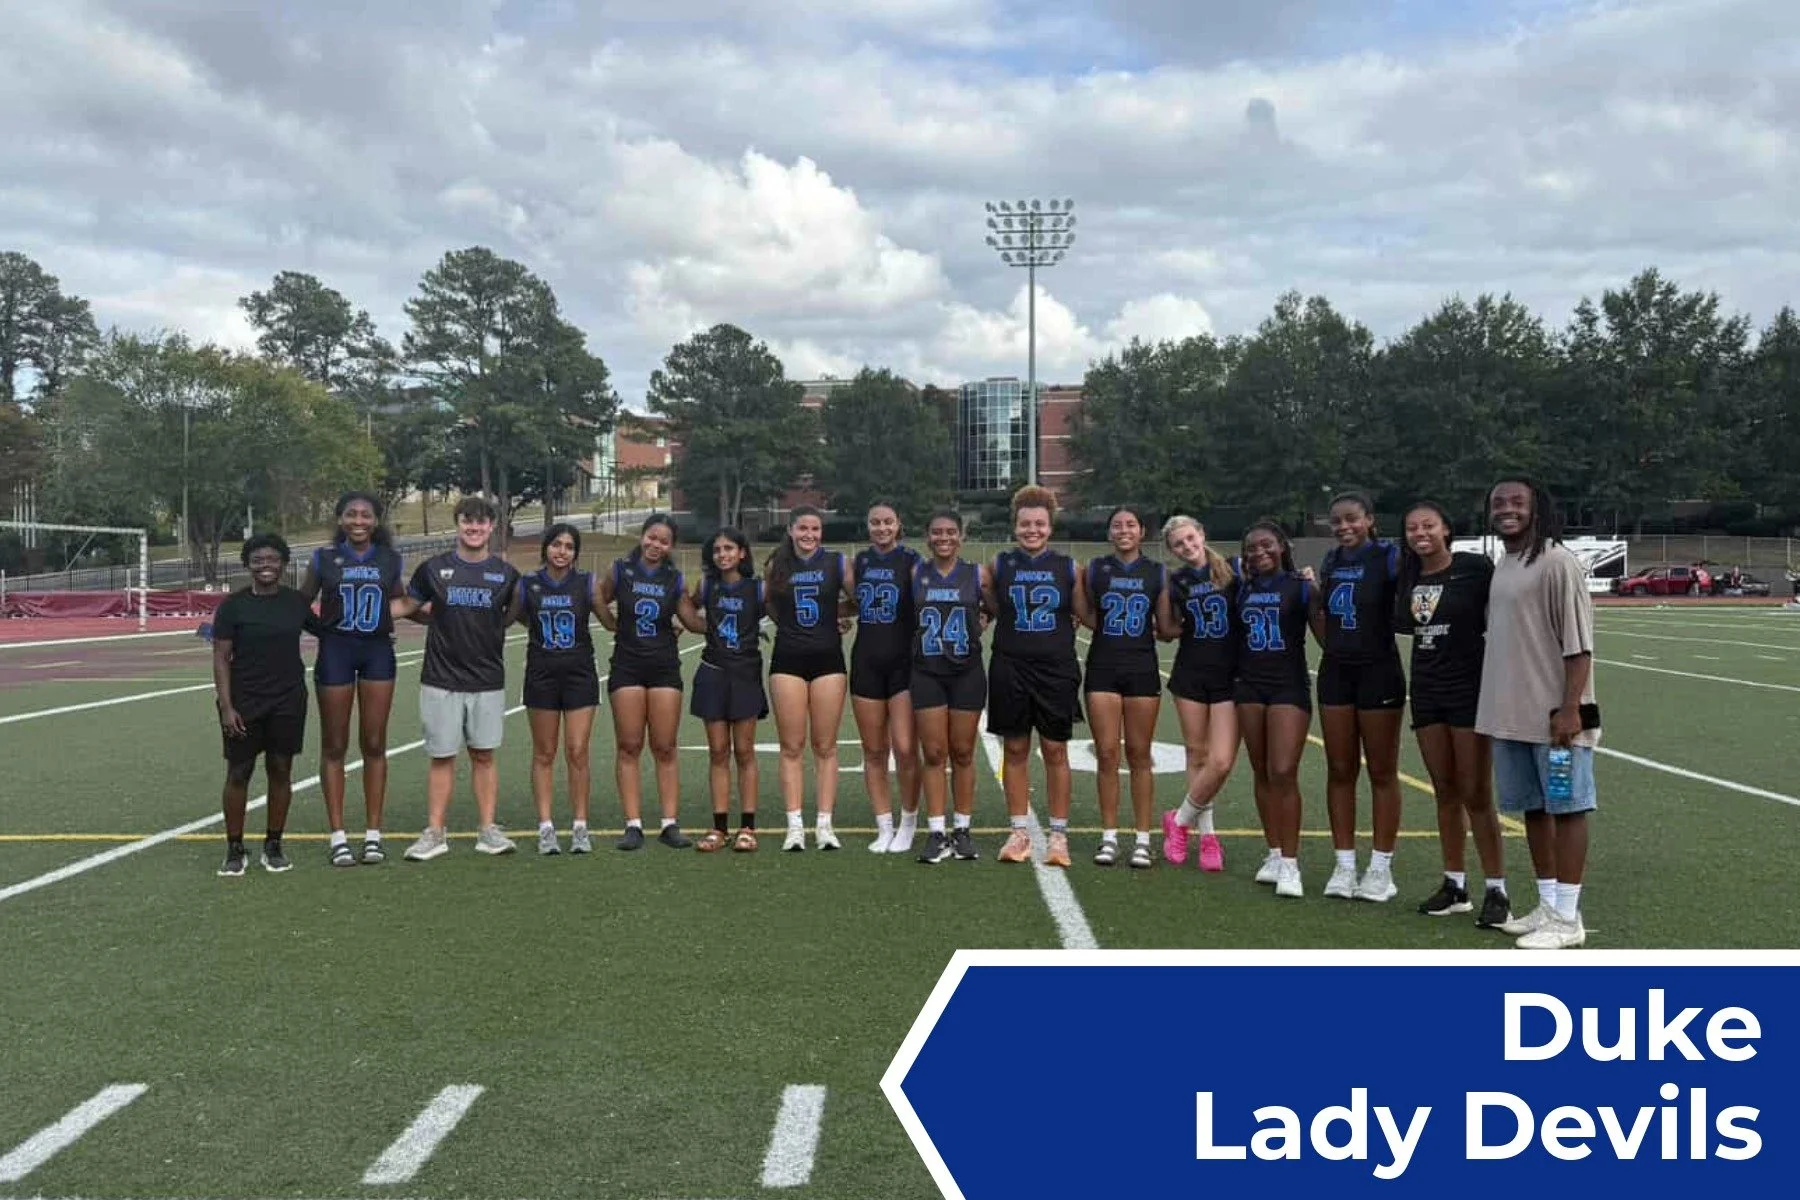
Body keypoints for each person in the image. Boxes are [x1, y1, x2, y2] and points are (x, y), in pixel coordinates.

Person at [1477, 478, 1599, 950]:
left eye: (1517, 502)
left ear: (1538, 509)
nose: (1507, 509)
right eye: (1499, 502)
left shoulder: (1557, 562)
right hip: (1510, 717)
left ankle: (1568, 917)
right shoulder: (1506, 563)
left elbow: (1579, 645)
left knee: (1568, 809)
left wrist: (1570, 710)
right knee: (1532, 808)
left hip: (1557, 721)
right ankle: (1548, 905)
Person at [1393, 502, 1510, 927]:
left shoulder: (1475, 568)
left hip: (1469, 689)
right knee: (1444, 790)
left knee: (1476, 792)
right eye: (1411, 527)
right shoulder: (1409, 575)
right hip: (1426, 690)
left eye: (1428, 525)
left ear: (1446, 529)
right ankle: (1455, 885)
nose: (1420, 532)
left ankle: (1497, 889)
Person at [392, 496, 522, 861]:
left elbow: (518, 614)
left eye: (481, 523)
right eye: (467, 521)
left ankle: (488, 830)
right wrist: (362, 612)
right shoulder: (433, 569)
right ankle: (435, 833)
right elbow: (407, 606)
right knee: (442, 755)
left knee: (484, 755)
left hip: (486, 678)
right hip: (441, 677)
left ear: (491, 527)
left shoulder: (506, 573)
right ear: (457, 524)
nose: (474, 528)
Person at [1310, 491, 1406, 902]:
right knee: (1339, 768)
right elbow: (1323, 619)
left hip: (1378, 670)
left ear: (1369, 519)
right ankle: (1345, 864)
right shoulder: (1332, 560)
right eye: (1337, 522)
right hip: (1336, 671)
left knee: (1382, 771)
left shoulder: (1388, 556)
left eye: (1352, 519)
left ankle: (1381, 867)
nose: (1344, 527)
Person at [298, 491, 404, 867]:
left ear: (376, 520)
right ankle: (338, 835)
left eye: (366, 515)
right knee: (334, 743)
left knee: (375, 742)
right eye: (351, 514)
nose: (358, 521)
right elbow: (300, 604)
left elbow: (401, 602)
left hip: (376, 652)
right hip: (336, 652)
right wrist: (324, 631)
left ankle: (373, 834)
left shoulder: (391, 558)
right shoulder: (324, 558)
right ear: (340, 519)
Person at [986, 485, 1086, 869]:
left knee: (1056, 749)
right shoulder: (1000, 565)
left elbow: (1082, 613)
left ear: (1050, 526)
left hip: (1056, 668)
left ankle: (1058, 834)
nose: (1032, 530)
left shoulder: (1067, 567)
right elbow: (993, 607)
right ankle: (1019, 831)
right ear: (1015, 526)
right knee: (1014, 749)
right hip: (1011, 665)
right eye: (1025, 524)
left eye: (1039, 524)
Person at [210, 534, 321, 876]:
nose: (265, 566)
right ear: (247, 564)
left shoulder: (295, 603)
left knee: (281, 769)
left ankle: (273, 845)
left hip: (288, 699)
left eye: (273, 559)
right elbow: (221, 656)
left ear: (284, 564)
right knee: (239, 771)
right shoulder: (233, 605)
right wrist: (227, 707)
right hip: (245, 701)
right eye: (258, 560)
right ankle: (234, 847)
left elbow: (330, 632)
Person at [597, 513, 693, 850]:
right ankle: (633, 824)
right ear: (643, 536)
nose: (655, 545)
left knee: (665, 746)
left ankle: (669, 823)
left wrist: (736, 621)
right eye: (651, 537)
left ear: (671, 546)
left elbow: (692, 619)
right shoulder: (621, 569)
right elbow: (598, 598)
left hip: (664, 666)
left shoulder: (674, 578)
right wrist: (612, 625)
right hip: (627, 665)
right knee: (629, 745)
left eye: (663, 541)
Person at [1082, 506, 1169, 869]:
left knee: (1139, 753)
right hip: (1103, 666)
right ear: (1109, 533)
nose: (1123, 530)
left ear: (1142, 531)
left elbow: (1164, 627)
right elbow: (1084, 613)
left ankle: (1143, 838)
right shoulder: (1096, 569)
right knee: (1106, 753)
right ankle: (1109, 835)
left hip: (1141, 668)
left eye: (1130, 524)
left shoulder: (1157, 571)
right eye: (1117, 525)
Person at [764, 506, 852, 851]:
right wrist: (788, 623)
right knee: (791, 746)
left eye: (815, 529)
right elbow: (770, 603)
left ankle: (825, 825)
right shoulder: (777, 565)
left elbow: (859, 599)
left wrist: (836, 616)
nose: (809, 535)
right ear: (790, 530)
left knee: (826, 746)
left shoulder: (837, 563)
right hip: (788, 659)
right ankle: (795, 825)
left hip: (828, 659)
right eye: (803, 529)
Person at [1235, 520, 1314, 898]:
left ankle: (1291, 864)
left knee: (1284, 770)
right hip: (1249, 684)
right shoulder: (1243, 588)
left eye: (1266, 545)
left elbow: (1329, 636)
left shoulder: (1300, 587)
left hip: (1288, 684)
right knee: (1261, 770)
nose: (1259, 552)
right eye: (1251, 547)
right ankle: (1273, 852)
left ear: (1282, 546)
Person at [910, 510, 990, 864]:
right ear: (927, 537)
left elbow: (996, 608)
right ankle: (937, 830)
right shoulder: (916, 573)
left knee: (962, 751)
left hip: (966, 671)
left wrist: (983, 621)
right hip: (927, 670)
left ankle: (962, 828)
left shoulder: (977, 573)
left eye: (951, 532)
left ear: (961, 537)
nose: (944, 538)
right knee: (933, 752)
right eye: (937, 532)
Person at [516, 523, 600, 856]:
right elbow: (517, 616)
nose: (561, 551)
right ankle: (546, 827)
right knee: (544, 752)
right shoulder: (529, 584)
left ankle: (580, 826)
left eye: (568, 546)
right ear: (545, 547)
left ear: (576, 552)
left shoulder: (586, 583)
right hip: (541, 674)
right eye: (556, 544)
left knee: (577, 750)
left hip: (579, 673)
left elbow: (609, 616)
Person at [1159, 516, 1237, 873]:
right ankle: (1208, 836)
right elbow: (1170, 629)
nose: (1187, 547)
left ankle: (1180, 819)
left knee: (1221, 761)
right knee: (1197, 754)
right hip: (1191, 672)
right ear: (1171, 550)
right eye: (1178, 544)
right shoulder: (1177, 581)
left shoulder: (1234, 569)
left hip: (1229, 676)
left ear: (1202, 534)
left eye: (1190, 538)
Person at [685, 527, 767, 854]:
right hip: (713, 673)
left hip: (745, 673)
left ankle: (747, 826)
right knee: (718, 751)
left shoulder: (756, 589)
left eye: (729, 548)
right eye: (717, 550)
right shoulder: (707, 586)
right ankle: (719, 828)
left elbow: (781, 615)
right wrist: (684, 623)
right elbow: (687, 611)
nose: (723, 554)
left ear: (742, 552)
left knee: (745, 751)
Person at [848, 502, 923, 854]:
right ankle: (884, 824)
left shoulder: (911, 560)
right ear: (868, 526)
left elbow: (932, 598)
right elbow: (849, 602)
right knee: (873, 750)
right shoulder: (858, 561)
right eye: (875, 522)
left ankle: (909, 821)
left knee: (906, 749)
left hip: (903, 662)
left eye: (888, 522)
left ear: (898, 524)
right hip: (866, 659)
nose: (881, 528)